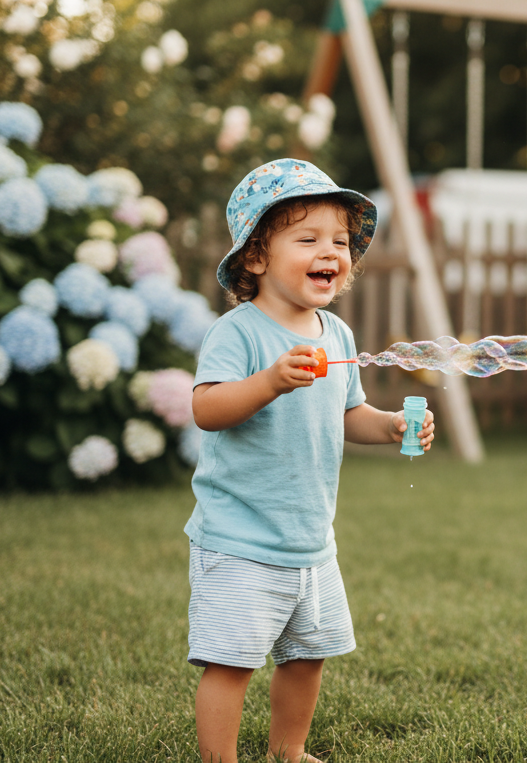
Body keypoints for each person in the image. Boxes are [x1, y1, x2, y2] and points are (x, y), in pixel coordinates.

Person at [185, 159, 434, 763]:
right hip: (240, 537)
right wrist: (270, 381)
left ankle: (288, 752)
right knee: (232, 663)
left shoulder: (336, 335)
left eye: (341, 242)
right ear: (256, 258)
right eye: (308, 238)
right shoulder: (238, 333)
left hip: (310, 540)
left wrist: (393, 425)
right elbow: (207, 409)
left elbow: (348, 413)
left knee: (307, 656)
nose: (331, 251)